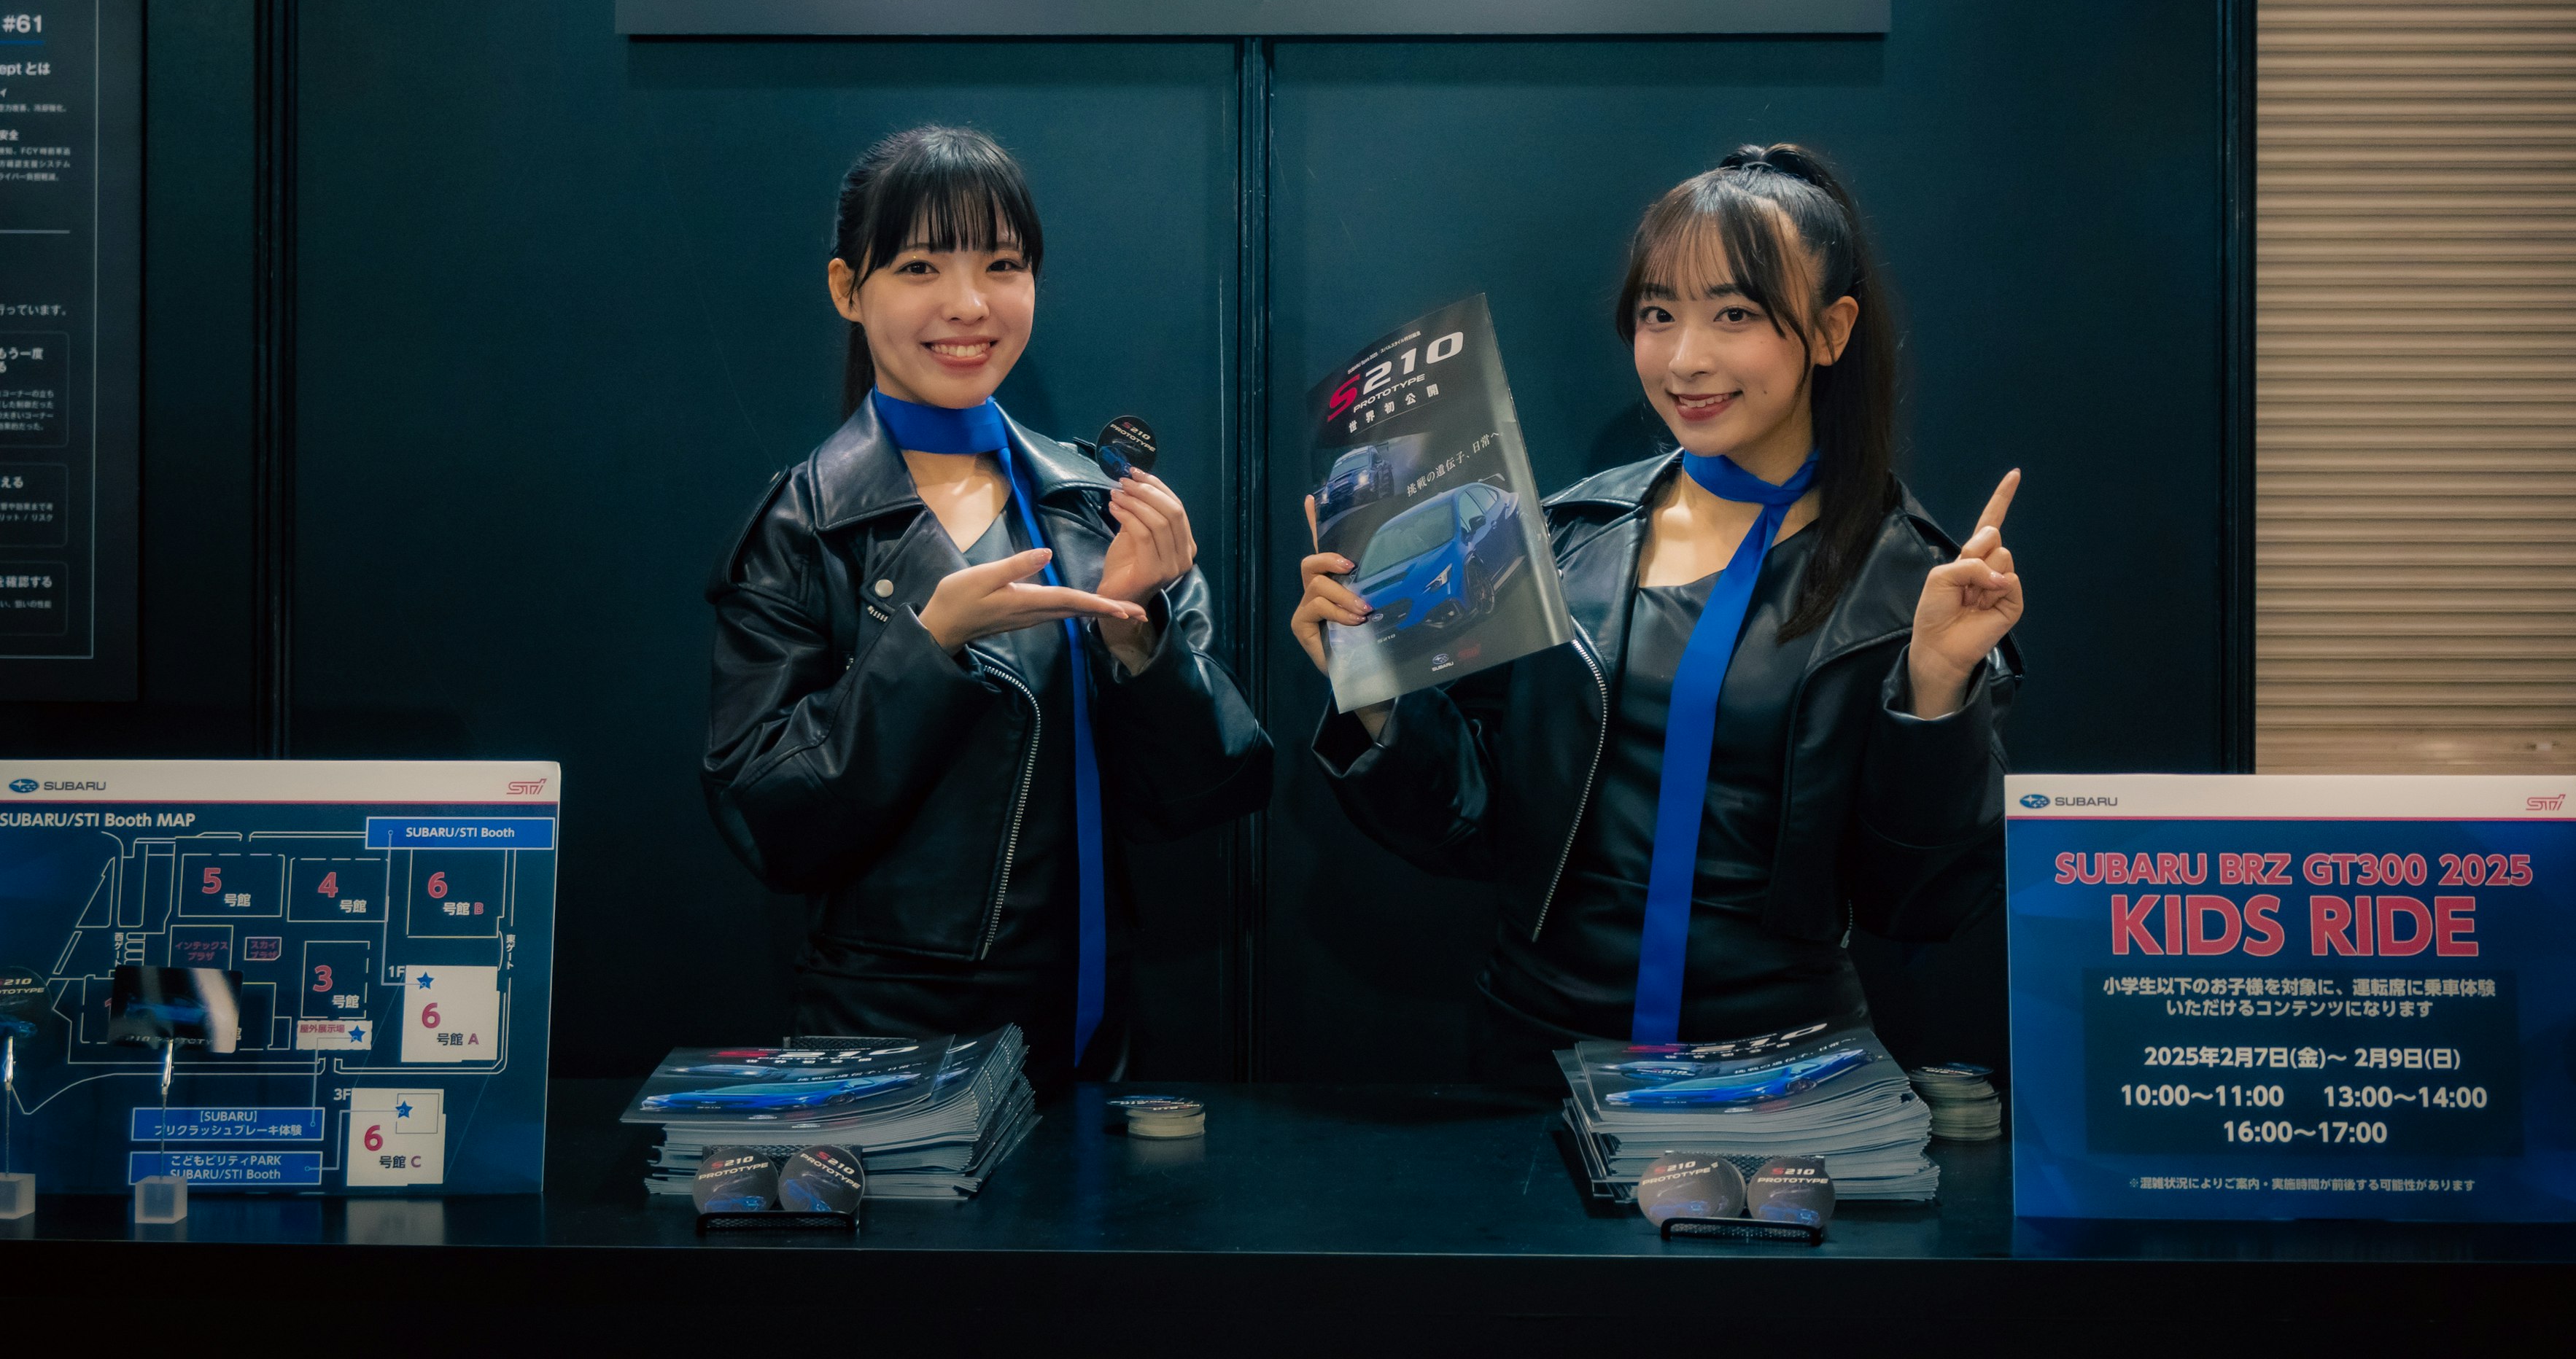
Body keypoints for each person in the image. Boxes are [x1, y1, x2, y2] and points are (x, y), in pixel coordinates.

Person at [1292, 144, 2021, 1080]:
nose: (1687, 359)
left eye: (1735, 315)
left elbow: (1923, 903)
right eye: (1658, 314)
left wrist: (1934, 692)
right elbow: (1469, 830)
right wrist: (1378, 691)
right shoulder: (1561, 536)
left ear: (1833, 329)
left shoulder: (1913, 581)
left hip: (1783, 1075)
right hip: (1535, 1060)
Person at [706, 125, 1271, 1083]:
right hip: (878, 1050)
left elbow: (1213, 795)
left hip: (1090, 1037)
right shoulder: (804, 520)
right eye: (921, 265)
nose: (968, 305)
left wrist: (1143, 641)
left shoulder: (1099, 506)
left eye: (1003, 265)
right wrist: (927, 649)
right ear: (849, 289)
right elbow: (767, 820)